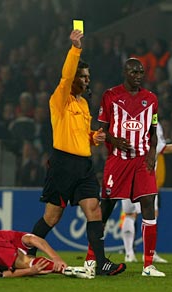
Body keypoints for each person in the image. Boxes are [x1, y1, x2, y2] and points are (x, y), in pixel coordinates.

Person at [27, 29, 125, 277]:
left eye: (88, 76)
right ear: (73, 78)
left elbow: (82, 135)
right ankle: (27, 252)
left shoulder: (83, 104)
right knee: (52, 216)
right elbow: (65, 75)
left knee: (94, 210)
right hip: (63, 165)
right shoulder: (60, 99)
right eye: (82, 76)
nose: (87, 80)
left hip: (84, 165)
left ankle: (101, 263)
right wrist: (75, 48)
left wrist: (95, 138)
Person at [85, 57, 164, 277]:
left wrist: (151, 153)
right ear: (125, 73)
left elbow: (153, 132)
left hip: (141, 161)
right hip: (118, 161)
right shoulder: (111, 96)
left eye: (141, 72)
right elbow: (100, 132)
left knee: (149, 204)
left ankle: (148, 265)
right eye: (134, 72)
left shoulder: (151, 99)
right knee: (106, 209)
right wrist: (113, 140)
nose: (138, 76)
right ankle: (91, 258)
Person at [121, 123, 172, 263]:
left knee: (130, 214)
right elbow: (162, 148)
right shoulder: (152, 123)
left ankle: (129, 253)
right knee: (150, 214)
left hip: (126, 172)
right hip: (145, 175)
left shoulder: (124, 119)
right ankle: (147, 254)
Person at [0, 230, 91, 279]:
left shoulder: (2, 259)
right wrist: (56, 258)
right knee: (25, 261)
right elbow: (35, 240)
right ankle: (67, 269)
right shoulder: (15, 237)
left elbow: (4, 275)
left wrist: (30, 271)